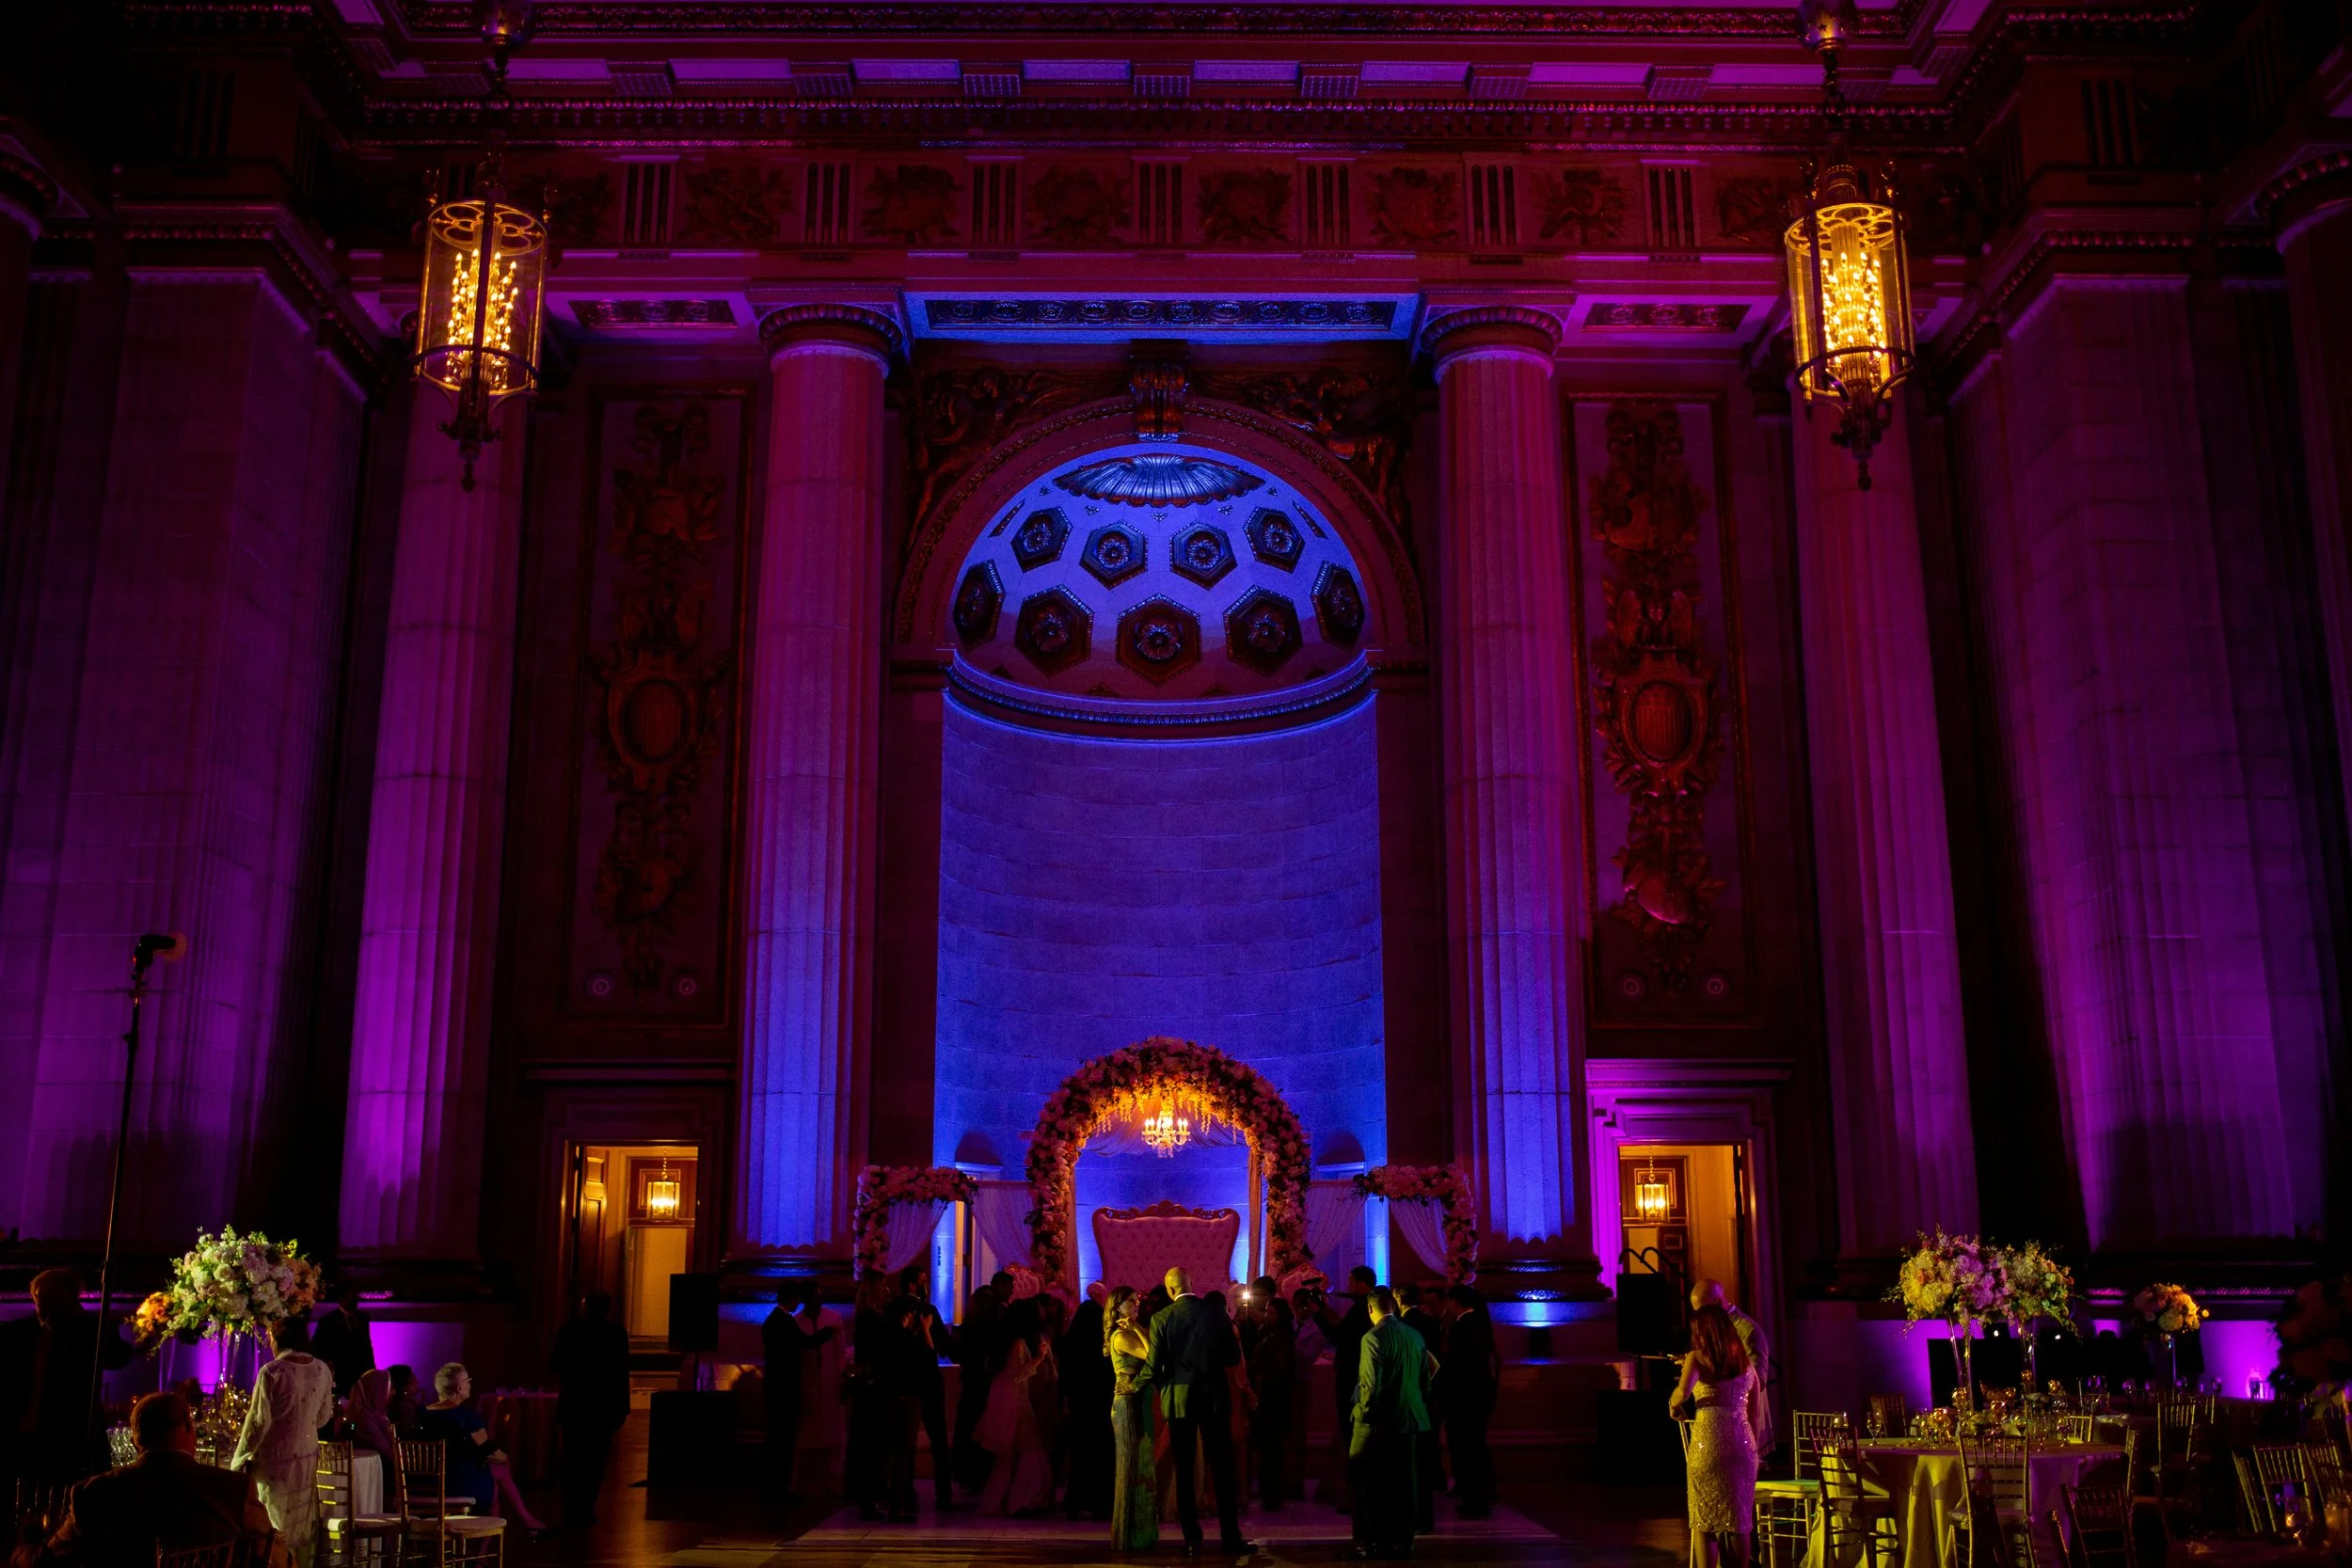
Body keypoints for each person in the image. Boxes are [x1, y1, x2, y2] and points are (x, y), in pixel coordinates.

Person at [25, 1393, 279, 1568]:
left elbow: (51, 1560)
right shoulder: (232, 1488)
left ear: (136, 1441)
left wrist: (20, 1555)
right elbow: (274, 1557)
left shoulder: (94, 1492)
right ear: (188, 1429)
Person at [0, 1269, 145, 1485]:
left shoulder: (90, 1330)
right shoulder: (18, 1332)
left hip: (72, 1441)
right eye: (39, 1296)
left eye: (51, 1296)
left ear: (69, 1298)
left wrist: (77, 1321)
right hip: (21, 1439)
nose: (42, 1303)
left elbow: (119, 1357)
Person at [1147, 1267, 1248, 1559]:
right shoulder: (1215, 1312)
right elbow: (1232, 1355)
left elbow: (1154, 1366)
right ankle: (1231, 1537)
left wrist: (1168, 1383)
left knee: (1185, 1469)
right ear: (1192, 1284)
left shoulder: (1162, 1318)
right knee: (1222, 1468)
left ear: (1170, 1290)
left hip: (1179, 1400)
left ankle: (1192, 1538)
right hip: (1214, 1398)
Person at [228, 1315, 335, 1566]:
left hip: (275, 1459)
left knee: (271, 1527)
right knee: (296, 1526)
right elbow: (323, 1418)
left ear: (276, 1339)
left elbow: (257, 1422)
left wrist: (239, 1459)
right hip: (307, 1456)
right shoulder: (322, 1369)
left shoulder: (272, 1372)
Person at [1347, 1287, 1433, 1562]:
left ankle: (1367, 1543)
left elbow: (1370, 1387)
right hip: (1410, 1420)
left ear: (1370, 1309)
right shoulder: (1415, 1335)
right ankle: (1403, 1541)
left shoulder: (1372, 1338)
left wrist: (1359, 1414)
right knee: (1404, 1484)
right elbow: (1425, 1381)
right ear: (1393, 1307)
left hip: (1378, 1423)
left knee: (1366, 1483)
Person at [1671, 1304, 1759, 1568]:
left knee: (1704, 1521)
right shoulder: (1746, 1364)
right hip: (1743, 1445)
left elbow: (1683, 1393)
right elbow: (1754, 1415)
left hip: (1708, 1445)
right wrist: (1753, 1450)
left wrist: (1673, 1403)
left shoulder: (1696, 1357)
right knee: (1739, 1522)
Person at [417, 1363, 549, 1536]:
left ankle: (528, 1522)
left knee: (497, 1474)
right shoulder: (466, 1417)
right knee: (498, 1481)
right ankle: (483, 1554)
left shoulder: (421, 1415)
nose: (470, 1384)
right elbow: (491, 1452)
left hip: (425, 1485)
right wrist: (506, 1458)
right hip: (458, 1485)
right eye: (468, 1381)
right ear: (459, 1387)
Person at [550, 1291, 630, 1528]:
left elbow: (556, 1364)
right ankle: (586, 1508)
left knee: (572, 1460)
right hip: (603, 1409)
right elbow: (621, 1373)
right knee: (596, 1462)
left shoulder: (569, 1330)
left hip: (575, 1405)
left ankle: (571, 1508)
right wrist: (622, 1409)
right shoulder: (616, 1334)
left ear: (585, 1306)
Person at [976, 1298, 1056, 1516]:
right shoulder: (1018, 1343)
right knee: (1031, 1448)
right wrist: (1040, 1359)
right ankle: (1025, 1500)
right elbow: (1017, 1374)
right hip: (1013, 1398)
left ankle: (1004, 1500)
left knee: (1008, 1456)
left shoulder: (1007, 1339)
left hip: (1003, 1395)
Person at [889, 1265, 957, 1514]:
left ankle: (905, 1492)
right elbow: (944, 1345)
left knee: (904, 1441)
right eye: (923, 1280)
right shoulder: (927, 1311)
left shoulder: (892, 1309)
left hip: (903, 1382)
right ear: (912, 1285)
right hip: (927, 1381)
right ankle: (944, 1496)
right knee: (938, 1439)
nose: (926, 1285)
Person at [1309, 1266, 1376, 1512]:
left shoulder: (1362, 1309)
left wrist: (1318, 1314)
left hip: (1353, 1379)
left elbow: (1341, 1338)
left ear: (1361, 1282)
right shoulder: (1363, 1307)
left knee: (1352, 1436)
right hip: (1357, 1379)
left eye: (1350, 1279)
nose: (1347, 1284)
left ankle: (1353, 1495)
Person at [1691, 1279, 1772, 1461]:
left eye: (1704, 1311)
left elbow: (1757, 1381)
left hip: (1742, 1419)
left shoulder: (1747, 1331)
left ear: (1718, 1303)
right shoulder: (1713, 1330)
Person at [1104, 1287, 1158, 1552]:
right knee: (1130, 1468)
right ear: (1117, 1307)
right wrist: (1137, 1328)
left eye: (1137, 1301)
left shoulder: (1129, 1332)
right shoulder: (1121, 1336)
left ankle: (1140, 1533)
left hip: (1138, 1400)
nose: (1137, 1305)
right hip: (1126, 1403)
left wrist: (1138, 1327)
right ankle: (1127, 1534)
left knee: (1141, 1466)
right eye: (1131, 1302)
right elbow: (1152, 1356)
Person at [1440, 1286, 1500, 1518]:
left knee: (1466, 1447)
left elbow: (1455, 1363)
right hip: (1477, 1394)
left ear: (1455, 1302)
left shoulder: (1462, 1326)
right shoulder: (1480, 1324)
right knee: (1475, 1445)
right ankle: (1481, 1493)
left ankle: (1474, 1498)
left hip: (1463, 1396)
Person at [951, 1275, 1008, 1496]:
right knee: (985, 1430)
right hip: (986, 1386)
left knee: (969, 1429)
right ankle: (983, 1475)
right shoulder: (995, 1329)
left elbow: (960, 1355)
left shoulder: (970, 1329)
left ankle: (969, 1476)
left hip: (972, 1387)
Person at [1059, 1294, 1113, 1520]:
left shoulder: (1071, 1344)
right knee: (1101, 1454)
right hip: (1100, 1406)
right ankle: (1100, 1502)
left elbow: (1065, 1376)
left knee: (1080, 1453)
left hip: (1080, 1405)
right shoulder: (1102, 1347)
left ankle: (1076, 1500)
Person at [1399, 1284, 1446, 1532]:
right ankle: (1425, 1518)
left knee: (1412, 1462)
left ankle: (1416, 1517)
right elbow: (1436, 1361)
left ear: (1399, 1298)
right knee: (1425, 1458)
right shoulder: (1430, 1322)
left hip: (1410, 1400)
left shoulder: (1403, 1326)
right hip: (1429, 1397)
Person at [1247, 1291, 1296, 1513]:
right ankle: (1270, 1492)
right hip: (1270, 1398)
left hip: (1272, 1399)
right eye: (1267, 1311)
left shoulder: (1279, 1338)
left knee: (1272, 1448)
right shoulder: (1268, 1334)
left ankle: (1273, 1494)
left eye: (1272, 1312)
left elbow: (1277, 1370)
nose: (1267, 1315)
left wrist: (1259, 1383)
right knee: (1269, 1448)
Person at [308, 1286, 374, 1399]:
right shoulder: (327, 1321)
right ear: (341, 1298)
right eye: (351, 1296)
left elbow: (367, 1345)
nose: (355, 1299)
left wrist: (372, 1370)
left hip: (361, 1373)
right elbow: (318, 1347)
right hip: (340, 1374)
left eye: (355, 1296)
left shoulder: (363, 1318)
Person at [346, 1369, 401, 1478]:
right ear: (377, 1392)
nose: (393, 1392)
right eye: (389, 1388)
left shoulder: (376, 1416)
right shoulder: (366, 1421)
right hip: (379, 1477)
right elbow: (387, 1454)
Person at [384, 1365, 423, 1437]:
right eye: (413, 1377)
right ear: (406, 1385)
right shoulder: (406, 1409)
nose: (417, 1380)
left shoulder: (392, 1405)